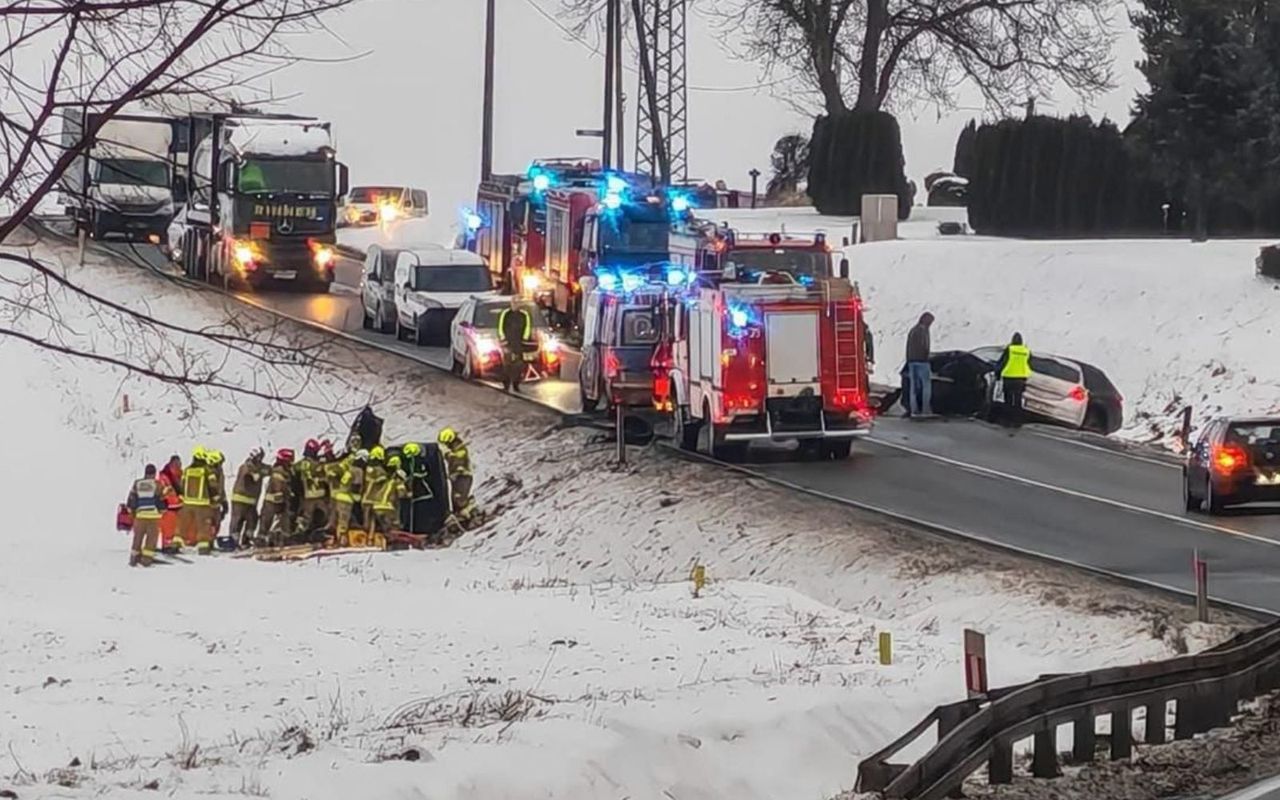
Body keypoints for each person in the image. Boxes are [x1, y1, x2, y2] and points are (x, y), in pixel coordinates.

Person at [176, 446, 216, 555]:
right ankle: (203, 548)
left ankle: (176, 544)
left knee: (182, 525)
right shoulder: (207, 471)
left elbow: (181, 485)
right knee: (203, 526)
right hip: (202, 504)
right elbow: (213, 486)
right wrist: (215, 499)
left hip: (187, 503)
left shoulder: (187, 470)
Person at [126, 464, 167, 566]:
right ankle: (146, 560)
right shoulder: (157, 484)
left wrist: (132, 511)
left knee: (137, 538)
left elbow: (132, 499)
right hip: (153, 517)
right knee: (151, 539)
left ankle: (134, 559)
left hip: (140, 516)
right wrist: (163, 510)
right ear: (154, 474)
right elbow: (161, 500)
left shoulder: (137, 483)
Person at [228, 448, 268, 548]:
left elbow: (268, 469)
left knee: (252, 520)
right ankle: (233, 542)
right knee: (237, 521)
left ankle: (246, 540)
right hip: (240, 500)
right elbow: (254, 477)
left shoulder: (258, 466)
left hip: (251, 502)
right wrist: (261, 472)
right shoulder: (246, 467)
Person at [257, 449, 295, 547]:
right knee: (267, 523)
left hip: (281, 503)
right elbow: (277, 488)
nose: (291, 463)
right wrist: (279, 503)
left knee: (282, 524)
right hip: (273, 503)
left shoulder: (286, 472)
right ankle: (262, 542)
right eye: (290, 461)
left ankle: (280, 541)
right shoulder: (279, 472)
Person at [438, 427, 476, 524]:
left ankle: (469, 517)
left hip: (464, 477)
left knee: (459, 499)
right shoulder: (455, 449)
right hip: (457, 478)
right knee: (455, 500)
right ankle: (461, 516)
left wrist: (447, 454)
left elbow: (456, 461)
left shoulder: (460, 450)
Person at [497, 295, 534, 392]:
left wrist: (524, 339)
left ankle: (516, 384)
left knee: (519, 365)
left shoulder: (524, 315)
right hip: (507, 343)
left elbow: (527, 327)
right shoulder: (506, 314)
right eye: (514, 302)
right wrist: (503, 338)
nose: (516, 304)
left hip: (519, 343)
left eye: (518, 302)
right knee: (507, 364)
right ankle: (506, 384)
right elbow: (501, 326)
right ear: (511, 303)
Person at [994, 332, 1032, 426]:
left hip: (1009, 378)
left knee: (1008, 399)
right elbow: (1029, 364)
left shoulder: (1009, 350)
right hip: (1020, 379)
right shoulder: (1026, 351)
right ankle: (1017, 421)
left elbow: (1003, 362)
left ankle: (1007, 420)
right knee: (1018, 400)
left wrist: (997, 374)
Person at [295, 438, 328, 541]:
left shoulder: (300, 464)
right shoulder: (318, 464)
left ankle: (299, 535)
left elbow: (293, 473)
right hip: (320, 496)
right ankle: (319, 534)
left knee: (305, 518)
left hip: (307, 496)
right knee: (325, 516)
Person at [332, 449, 367, 546]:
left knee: (338, 520)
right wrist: (358, 502)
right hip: (346, 498)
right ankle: (341, 541)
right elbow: (356, 486)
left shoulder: (350, 468)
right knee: (344, 521)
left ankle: (336, 538)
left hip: (338, 496)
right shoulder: (358, 471)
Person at [905, 311, 935, 418]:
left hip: (912, 361)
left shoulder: (913, 330)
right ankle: (925, 409)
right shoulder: (923, 331)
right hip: (922, 362)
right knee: (926, 387)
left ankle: (914, 410)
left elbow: (908, 347)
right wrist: (928, 357)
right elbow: (924, 347)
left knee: (913, 387)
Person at [369, 458, 409, 536]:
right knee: (395, 524)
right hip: (387, 507)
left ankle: (381, 538)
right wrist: (408, 494)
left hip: (376, 506)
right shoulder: (398, 483)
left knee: (384, 526)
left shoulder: (387, 483)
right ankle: (394, 540)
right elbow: (401, 494)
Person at [360, 446, 388, 537]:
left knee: (366, 519)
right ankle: (371, 538)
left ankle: (365, 537)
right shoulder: (380, 471)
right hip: (375, 499)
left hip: (365, 497)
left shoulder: (366, 468)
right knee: (374, 520)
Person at [157, 454, 183, 551]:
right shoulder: (165, 477)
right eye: (177, 464)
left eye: (179, 464)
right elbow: (167, 492)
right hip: (169, 507)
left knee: (176, 527)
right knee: (168, 526)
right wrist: (177, 500)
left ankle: (174, 543)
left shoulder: (180, 475)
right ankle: (167, 545)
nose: (179, 465)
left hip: (179, 506)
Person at [205, 450, 228, 547]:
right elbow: (212, 487)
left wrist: (224, 501)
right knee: (209, 524)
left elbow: (221, 488)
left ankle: (211, 541)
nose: (221, 465)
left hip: (217, 504)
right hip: (208, 504)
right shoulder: (209, 472)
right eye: (219, 463)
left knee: (216, 524)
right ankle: (207, 542)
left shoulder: (219, 472)